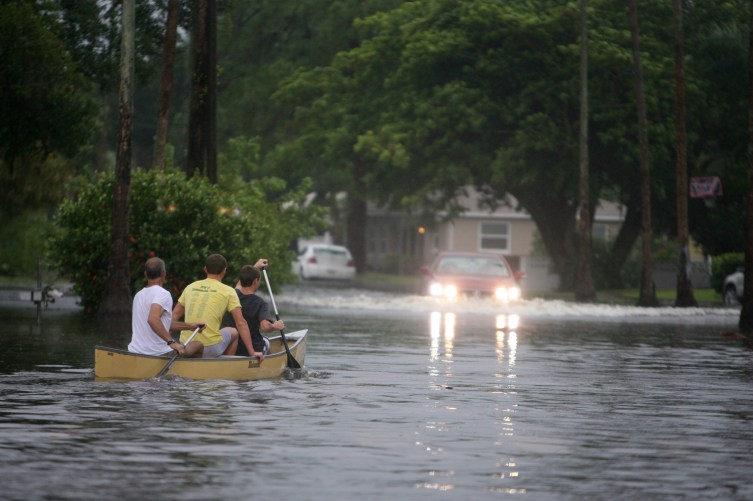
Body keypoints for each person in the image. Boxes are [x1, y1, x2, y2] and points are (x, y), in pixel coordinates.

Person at [172, 253, 266, 360]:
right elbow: (241, 323)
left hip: (183, 343)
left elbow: (173, 317)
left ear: (205, 269)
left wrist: (168, 342)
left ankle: (185, 352)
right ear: (224, 271)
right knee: (233, 331)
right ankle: (225, 366)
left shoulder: (190, 287)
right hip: (209, 348)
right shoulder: (229, 291)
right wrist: (252, 352)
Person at [128, 257, 205, 357]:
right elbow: (153, 319)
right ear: (164, 274)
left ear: (145, 275)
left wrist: (191, 326)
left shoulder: (138, 295)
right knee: (198, 345)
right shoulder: (163, 294)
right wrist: (172, 342)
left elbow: (162, 324)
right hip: (159, 354)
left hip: (134, 352)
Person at [225, 264, 285, 356]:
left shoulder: (233, 296)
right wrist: (275, 326)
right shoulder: (260, 303)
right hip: (253, 350)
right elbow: (265, 327)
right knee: (267, 342)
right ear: (256, 281)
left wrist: (256, 266)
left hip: (231, 347)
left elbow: (238, 285)